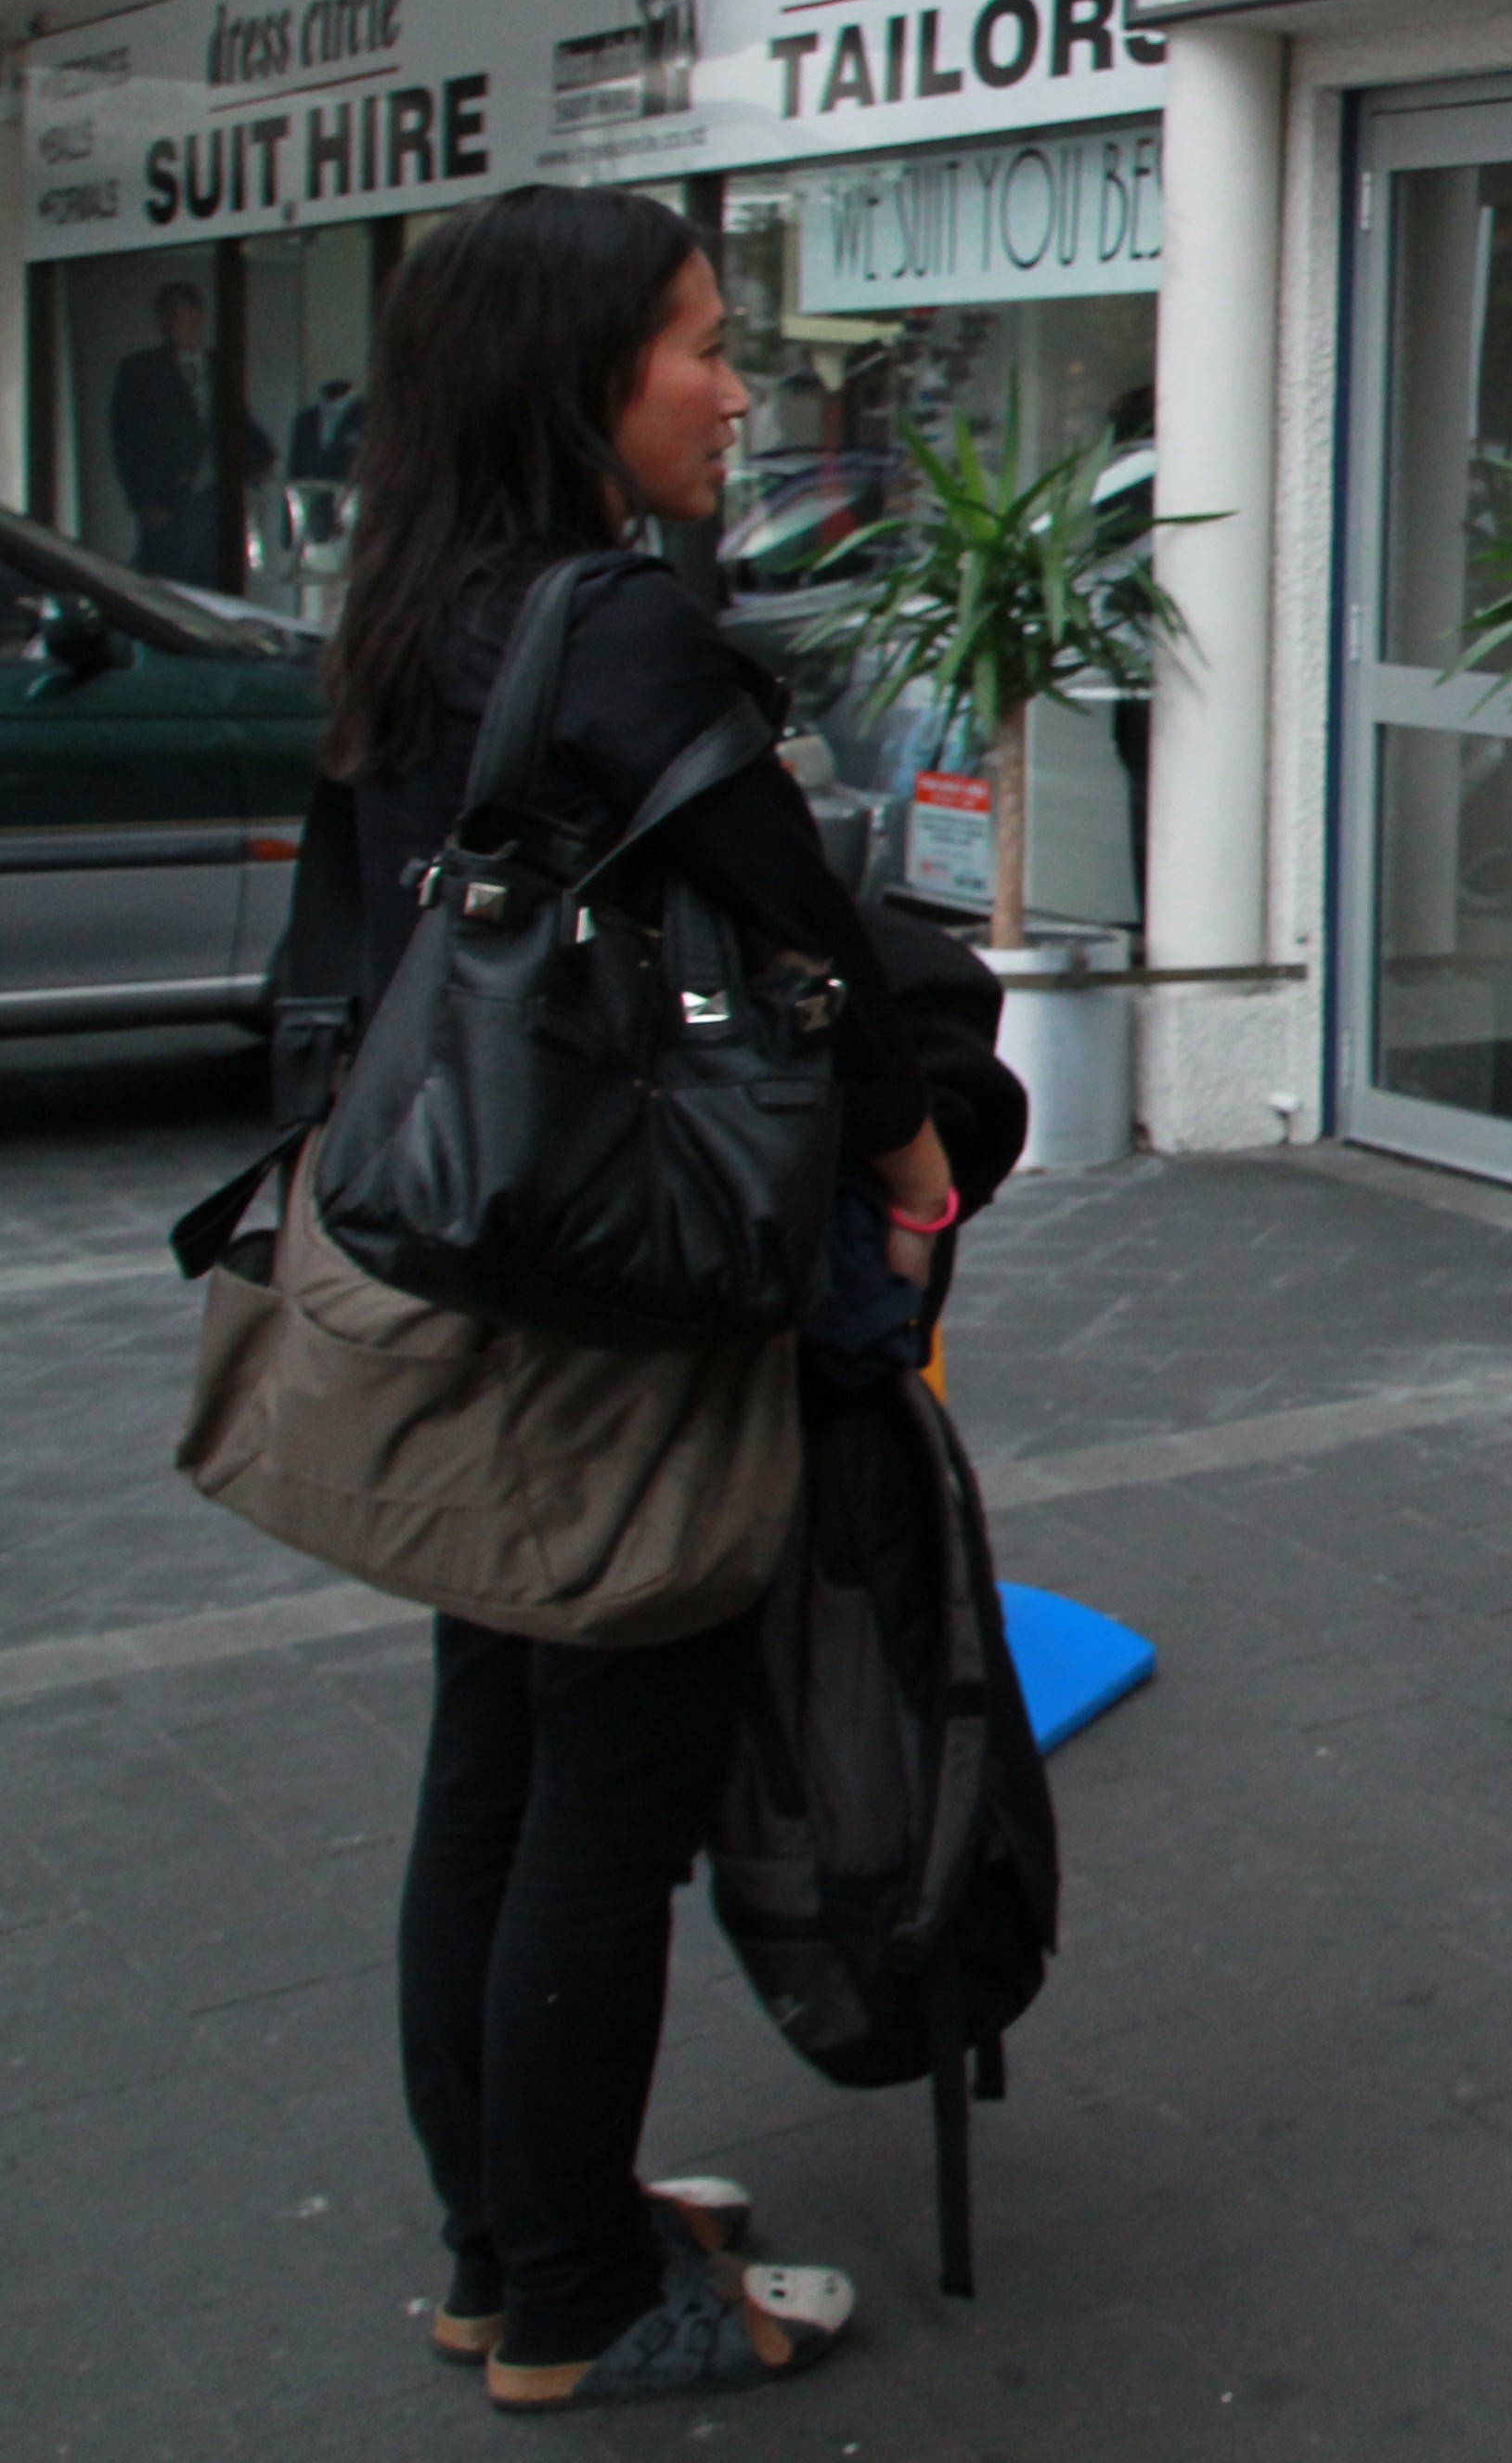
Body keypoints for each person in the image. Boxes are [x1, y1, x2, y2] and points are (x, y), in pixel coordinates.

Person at [320, 185, 960, 2409]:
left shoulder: (421, 606)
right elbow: (806, 946)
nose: (736, 383)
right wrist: (908, 1175)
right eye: (696, 341)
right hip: (635, 1301)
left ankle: (516, 2242)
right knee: (607, 1785)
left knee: (491, 1762)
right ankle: (586, 2297)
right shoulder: (619, 628)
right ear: (573, 370)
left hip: (475, 1266)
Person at [110, 279, 265, 584]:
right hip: (166, 498)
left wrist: (257, 461)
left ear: (197, 315)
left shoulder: (220, 365)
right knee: (166, 579)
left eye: (177, 313)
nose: (169, 323)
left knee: (212, 576)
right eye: (163, 315)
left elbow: (236, 420)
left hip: (214, 496)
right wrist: (144, 501)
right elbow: (126, 439)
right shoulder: (140, 370)